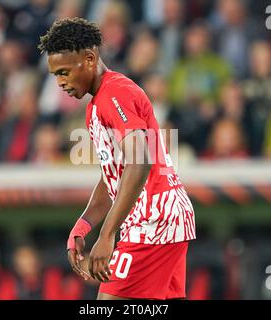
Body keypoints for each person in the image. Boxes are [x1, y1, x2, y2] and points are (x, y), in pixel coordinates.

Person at [38, 17, 196, 300]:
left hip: (153, 220)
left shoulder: (116, 93)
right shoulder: (96, 106)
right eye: (55, 75)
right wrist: (85, 223)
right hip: (165, 217)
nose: (60, 82)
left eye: (64, 72)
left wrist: (107, 234)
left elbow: (140, 160)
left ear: (89, 59)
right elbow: (115, 176)